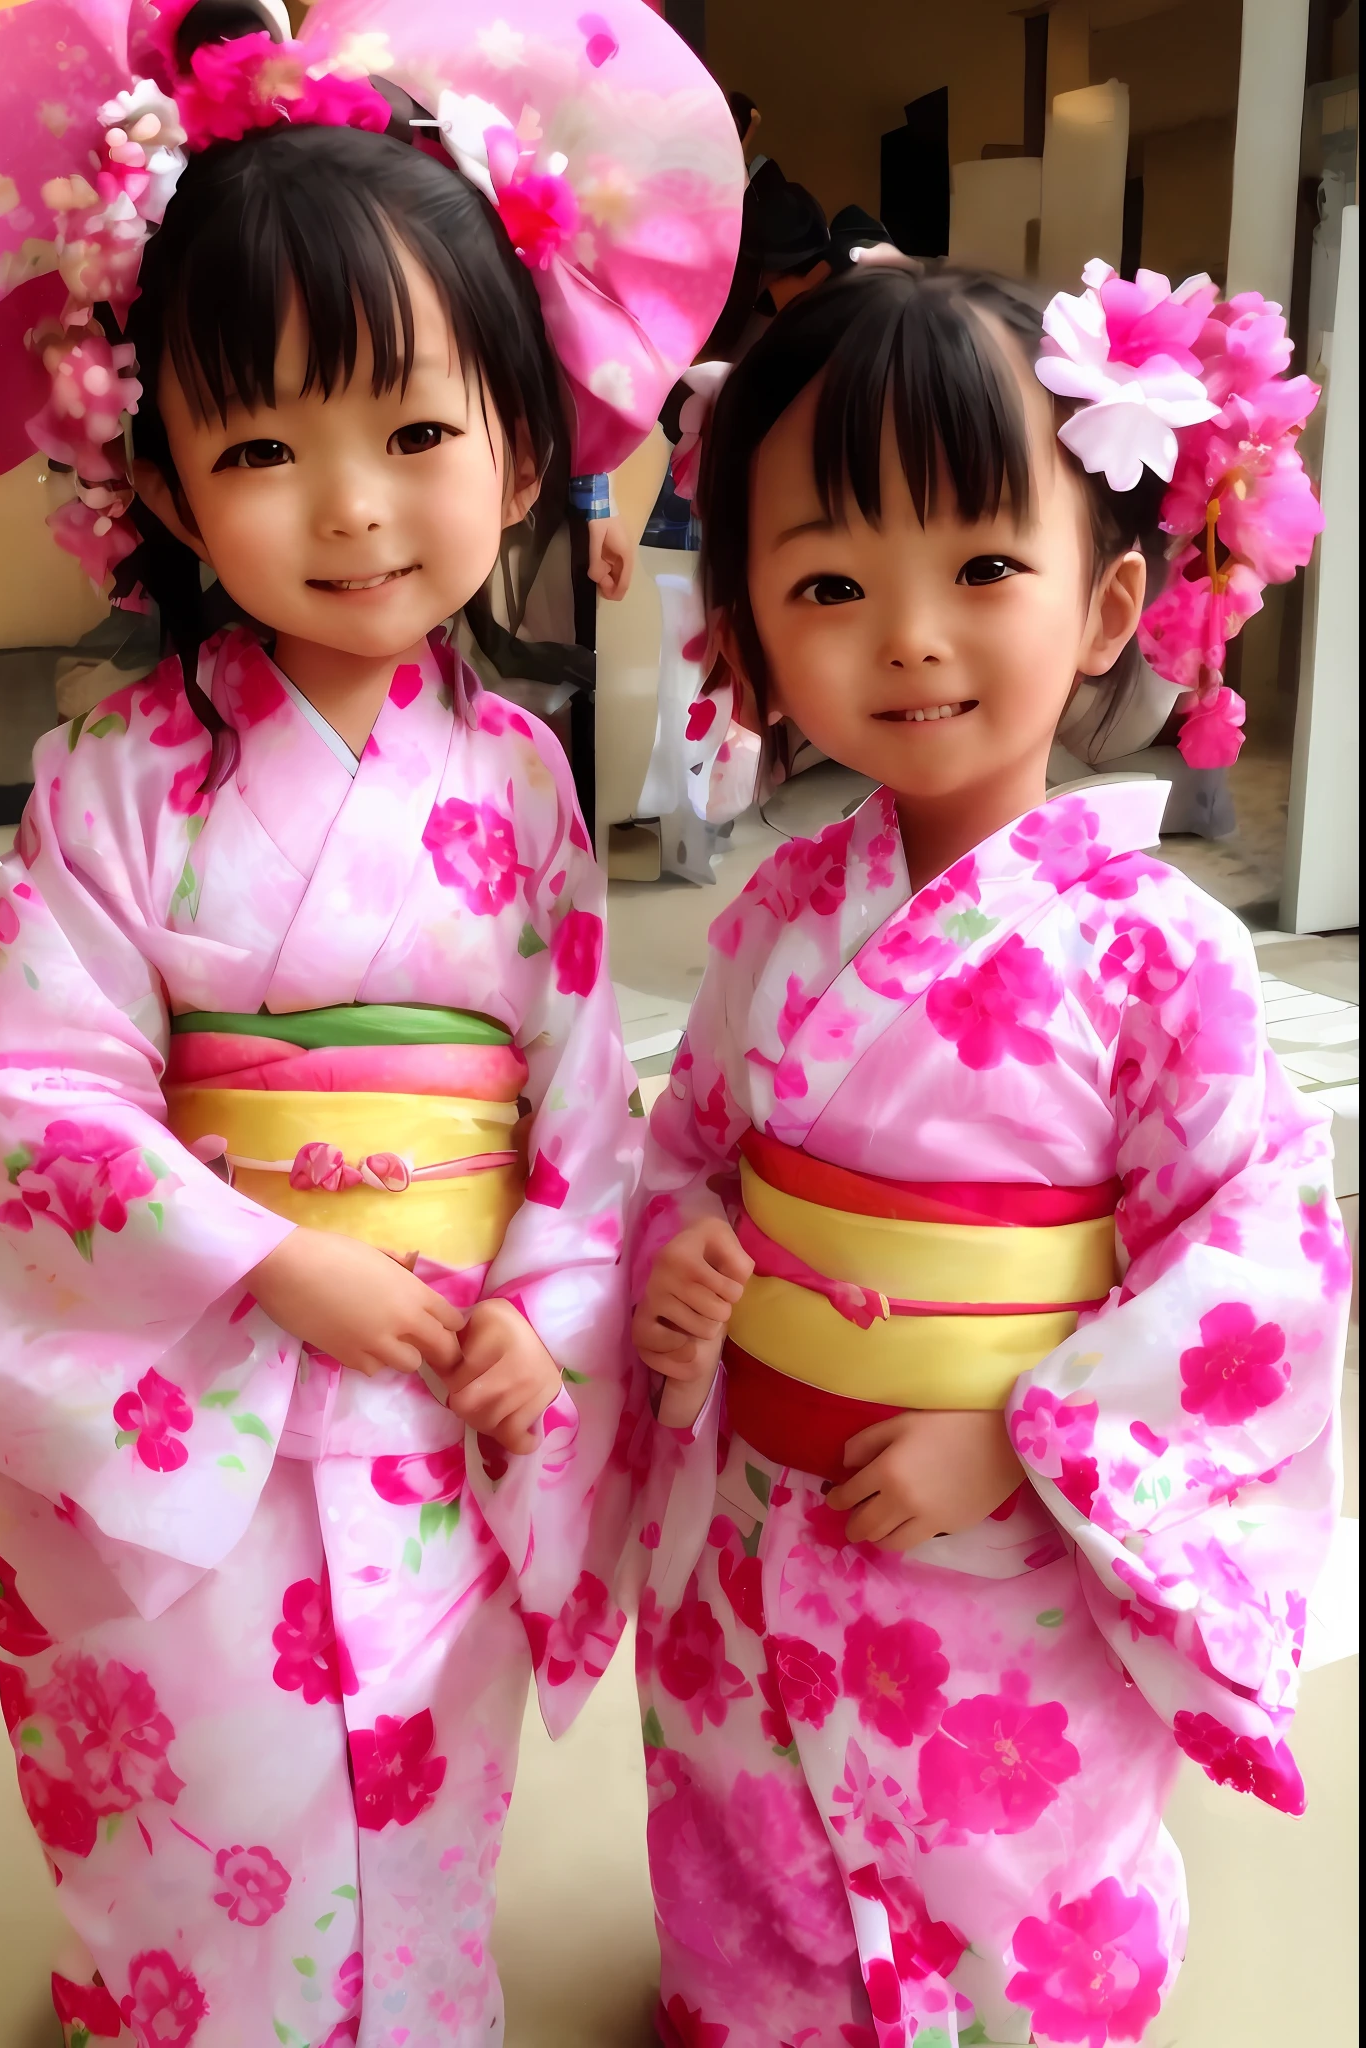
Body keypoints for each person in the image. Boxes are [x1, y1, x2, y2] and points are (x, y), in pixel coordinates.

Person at [0, 3, 743, 2042]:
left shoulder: (516, 780)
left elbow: (583, 1110)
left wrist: (539, 1297)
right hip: (203, 1400)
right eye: (260, 445)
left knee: (420, 1782)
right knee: (202, 1777)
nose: (350, 508)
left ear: (524, 436)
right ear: (156, 474)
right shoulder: (108, 777)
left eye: (415, 432)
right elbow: (42, 1086)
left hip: (436, 1395)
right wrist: (268, 1257)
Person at [629, 259, 1344, 2046]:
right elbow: (692, 1144)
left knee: (1003, 1850)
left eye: (985, 568)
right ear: (751, 628)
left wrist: (1021, 1445)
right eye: (830, 583)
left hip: (997, 1552)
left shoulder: (1154, 949)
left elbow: (1249, 1262)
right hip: (768, 1520)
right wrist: (687, 1250)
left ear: (1110, 603)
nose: (912, 632)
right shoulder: (783, 915)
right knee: (753, 1817)